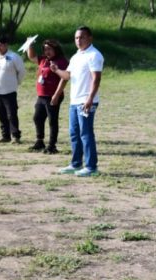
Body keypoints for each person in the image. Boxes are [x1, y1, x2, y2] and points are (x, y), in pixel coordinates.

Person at [51, 26, 103, 177]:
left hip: (86, 101)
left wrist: (90, 99)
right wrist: (56, 70)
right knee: (74, 133)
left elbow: (96, 79)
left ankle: (91, 167)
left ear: (90, 38)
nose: (78, 40)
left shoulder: (94, 55)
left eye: (82, 37)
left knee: (86, 133)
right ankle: (76, 164)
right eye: (76, 38)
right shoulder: (76, 56)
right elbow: (67, 76)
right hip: (75, 101)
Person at [26, 39, 68, 154]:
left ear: (55, 49)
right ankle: (40, 141)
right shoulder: (44, 60)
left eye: (49, 49)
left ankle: (52, 145)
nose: (46, 51)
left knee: (52, 121)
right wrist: (29, 45)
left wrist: (56, 95)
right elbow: (32, 57)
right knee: (37, 118)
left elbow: (64, 78)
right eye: (45, 49)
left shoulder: (61, 61)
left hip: (53, 96)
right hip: (42, 96)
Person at [0, 36, 26, 144]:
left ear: (6, 45)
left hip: (10, 91)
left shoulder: (14, 57)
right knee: (1, 114)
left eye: (0, 45)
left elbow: (22, 72)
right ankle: (5, 136)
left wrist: (16, 83)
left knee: (12, 114)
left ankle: (15, 136)